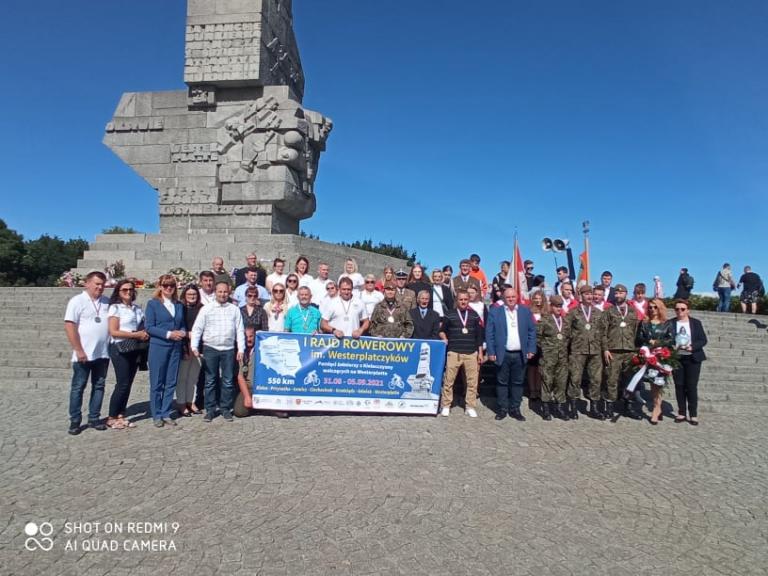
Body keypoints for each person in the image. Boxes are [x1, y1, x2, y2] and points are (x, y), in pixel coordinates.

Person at [64, 271, 112, 435]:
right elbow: (70, 326)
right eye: (97, 283)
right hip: (83, 353)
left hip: (103, 353)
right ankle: (75, 421)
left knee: (99, 386)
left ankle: (94, 418)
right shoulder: (77, 301)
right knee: (78, 387)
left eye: (102, 284)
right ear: (87, 283)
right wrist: (78, 349)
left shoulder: (106, 301)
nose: (100, 287)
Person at [190, 281, 245, 422]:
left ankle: (225, 408)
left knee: (227, 381)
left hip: (228, 349)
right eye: (220, 292)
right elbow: (197, 329)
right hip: (211, 348)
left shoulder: (234, 309)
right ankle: (210, 409)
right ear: (215, 292)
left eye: (225, 292)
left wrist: (241, 348)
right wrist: (194, 347)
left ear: (229, 292)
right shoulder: (207, 309)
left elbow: (240, 330)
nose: (222, 294)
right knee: (210, 380)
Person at [486, 288, 537, 421]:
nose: (511, 299)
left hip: (520, 354)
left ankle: (515, 408)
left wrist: (531, 349)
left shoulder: (525, 311)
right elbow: (489, 333)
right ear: (504, 298)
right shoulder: (495, 312)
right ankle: (502, 409)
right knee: (501, 382)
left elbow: (532, 331)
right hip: (503, 353)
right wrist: (491, 351)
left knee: (518, 382)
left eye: (513, 296)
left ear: (517, 297)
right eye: (508, 297)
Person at [106, 279, 148, 429]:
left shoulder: (137, 308)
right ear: (118, 291)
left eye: (131, 289)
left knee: (128, 383)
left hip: (134, 348)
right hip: (119, 348)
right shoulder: (115, 308)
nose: (128, 292)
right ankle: (111, 416)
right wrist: (136, 335)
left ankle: (120, 414)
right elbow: (113, 331)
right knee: (122, 383)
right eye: (124, 290)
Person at [145, 274, 186, 427]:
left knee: (171, 381)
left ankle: (166, 412)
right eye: (166, 285)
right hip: (159, 347)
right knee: (157, 382)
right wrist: (169, 334)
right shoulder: (153, 304)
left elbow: (181, 324)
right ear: (160, 287)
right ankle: (156, 414)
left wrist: (181, 331)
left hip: (175, 347)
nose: (169, 288)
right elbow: (149, 327)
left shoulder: (178, 304)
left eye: (172, 285)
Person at [439, 289, 484, 418]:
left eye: (465, 299)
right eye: (461, 299)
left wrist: (480, 353)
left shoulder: (474, 315)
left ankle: (470, 406)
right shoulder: (449, 314)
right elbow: (442, 331)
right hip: (454, 352)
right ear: (456, 300)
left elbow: (479, 336)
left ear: (468, 300)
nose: (463, 301)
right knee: (449, 380)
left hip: (471, 353)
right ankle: (446, 405)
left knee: (472, 382)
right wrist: (444, 338)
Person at [601, 284, 641, 421]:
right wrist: (605, 348)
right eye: (616, 293)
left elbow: (636, 331)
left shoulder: (633, 312)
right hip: (613, 350)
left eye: (621, 293)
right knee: (611, 379)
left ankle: (628, 406)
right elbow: (603, 332)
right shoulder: (609, 311)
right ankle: (610, 406)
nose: (618, 295)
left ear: (626, 294)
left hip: (629, 351)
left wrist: (635, 349)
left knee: (630, 380)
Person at [565, 285, 605, 420]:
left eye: (591, 294)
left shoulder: (598, 313)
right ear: (580, 296)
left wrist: (604, 349)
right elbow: (566, 332)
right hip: (578, 350)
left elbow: (603, 333)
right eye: (586, 294)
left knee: (596, 379)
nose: (589, 296)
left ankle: (594, 408)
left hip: (595, 350)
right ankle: (573, 407)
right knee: (575, 378)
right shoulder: (573, 312)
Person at [636, 298, 674, 424]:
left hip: (661, 357)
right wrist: (647, 344)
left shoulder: (667, 323)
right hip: (648, 356)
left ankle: (656, 408)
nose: (652, 309)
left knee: (658, 384)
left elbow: (671, 339)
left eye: (655, 307)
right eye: (650, 307)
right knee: (652, 383)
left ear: (660, 308)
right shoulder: (644, 323)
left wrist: (659, 343)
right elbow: (639, 338)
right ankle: (658, 407)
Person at [670, 299, 708, 425]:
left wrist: (692, 347)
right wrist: (672, 347)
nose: (679, 311)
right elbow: (666, 339)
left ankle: (693, 414)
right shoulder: (670, 323)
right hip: (678, 358)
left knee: (691, 386)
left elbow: (703, 340)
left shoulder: (696, 323)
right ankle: (681, 412)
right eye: (677, 309)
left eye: (682, 309)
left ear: (688, 310)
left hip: (693, 358)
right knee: (679, 385)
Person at [537, 296, 570, 420]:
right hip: (548, 358)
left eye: (560, 306)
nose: (559, 308)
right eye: (556, 306)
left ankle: (560, 408)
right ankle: (545, 409)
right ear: (551, 306)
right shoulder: (544, 320)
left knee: (561, 382)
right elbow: (537, 337)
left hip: (562, 358)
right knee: (547, 382)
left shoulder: (565, 322)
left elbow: (568, 338)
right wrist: (546, 349)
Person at [176, 284, 203, 417]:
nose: (192, 297)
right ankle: (181, 402)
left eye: (194, 294)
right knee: (182, 377)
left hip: (198, 346)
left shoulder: (202, 308)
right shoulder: (180, 308)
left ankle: (190, 401)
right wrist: (187, 334)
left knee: (193, 377)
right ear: (184, 296)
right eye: (189, 294)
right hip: (184, 345)